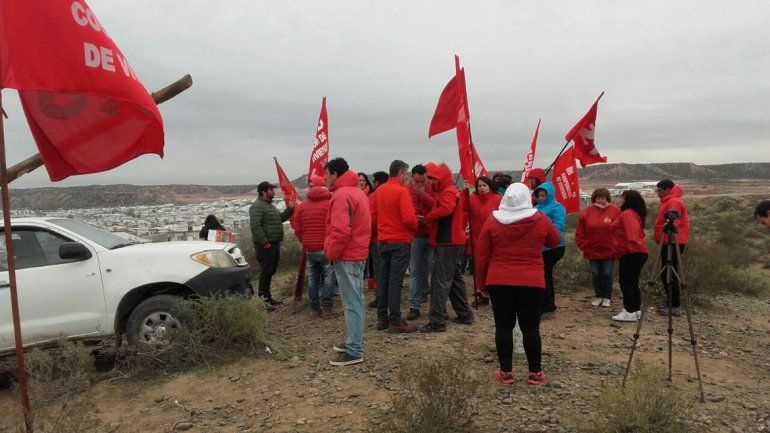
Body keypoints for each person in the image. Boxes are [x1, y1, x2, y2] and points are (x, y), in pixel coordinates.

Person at [476, 183, 561, 385]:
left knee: (503, 327)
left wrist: (481, 284)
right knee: (531, 328)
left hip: (499, 280)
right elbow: (555, 240)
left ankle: (506, 371)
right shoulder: (539, 219)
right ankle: (535, 372)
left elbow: (482, 255)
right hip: (531, 280)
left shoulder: (493, 220)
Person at [324, 157, 371, 366]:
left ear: (335, 174)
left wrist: (331, 253)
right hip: (358, 253)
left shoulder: (342, 195)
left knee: (351, 302)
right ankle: (354, 340)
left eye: (326, 173)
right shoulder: (357, 192)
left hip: (347, 255)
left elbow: (341, 230)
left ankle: (355, 350)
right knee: (357, 299)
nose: (324, 177)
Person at [419, 163, 474, 332]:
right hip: (452, 242)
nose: (429, 181)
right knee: (454, 280)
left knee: (439, 281)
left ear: (440, 177)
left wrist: (428, 218)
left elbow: (446, 209)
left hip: (448, 242)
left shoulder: (448, 192)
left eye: (432, 178)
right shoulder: (448, 190)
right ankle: (465, 314)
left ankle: (437, 321)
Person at [372, 160, 419, 333]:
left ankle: (382, 318)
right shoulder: (401, 191)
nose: (406, 178)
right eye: (406, 174)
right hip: (400, 241)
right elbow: (408, 219)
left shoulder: (379, 191)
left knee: (383, 279)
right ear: (400, 173)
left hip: (383, 240)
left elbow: (373, 216)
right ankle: (395, 320)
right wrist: (415, 225)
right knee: (395, 282)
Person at [249, 181, 295, 308]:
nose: (274, 192)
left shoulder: (269, 206)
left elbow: (280, 219)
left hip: (274, 244)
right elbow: (255, 227)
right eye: (271, 190)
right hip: (265, 245)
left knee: (270, 270)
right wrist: (265, 243)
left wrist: (290, 209)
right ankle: (263, 301)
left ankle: (268, 298)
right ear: (264, 192)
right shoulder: (257, 207)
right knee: (266, 271)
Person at [294, 175, 334, 316]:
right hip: (326, 247)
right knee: (329, 277)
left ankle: (314, 308)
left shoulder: (302, 206)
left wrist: (304, 240)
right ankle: (327, 307)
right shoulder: (330, 203)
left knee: (313, 278)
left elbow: (297, 228)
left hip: (309, 248)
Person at [575, 188, 621, 308]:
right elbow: (580, 231)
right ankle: (599, 296)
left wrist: (618, 245)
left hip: (609, 249)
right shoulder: (587, 212)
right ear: (594, 199)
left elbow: (621, 229)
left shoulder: (615, 210)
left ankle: (607, 297)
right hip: (592, 249)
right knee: (596, 274)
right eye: (598, 198)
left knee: (607, 273)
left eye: (603, 198)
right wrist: (583, 244)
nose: (600, 200)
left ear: (607, 199)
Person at [610, 190, 649, 322]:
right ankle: (636, 309)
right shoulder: (634, 214)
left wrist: (627, 252)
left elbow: (631, 237)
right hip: (637, 252)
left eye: (623, 198)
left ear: (628, 200)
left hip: (631, 253)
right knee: (633, 282)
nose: (621, 200)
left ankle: (629, 310)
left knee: (625, 282)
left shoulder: (627, 215)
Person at [653, 179, 690, 316]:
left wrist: (667, 239)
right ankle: (672, 303)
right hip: (671, 241)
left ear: (668, 190)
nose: (658, 193)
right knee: (668, 272)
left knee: (669, 273)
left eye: (660, 191)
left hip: (673, 242)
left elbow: (674, 224)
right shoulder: (668, 201)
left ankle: (675, 305)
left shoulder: (672, 202)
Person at [405, 164, 436, 320]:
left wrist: (422, 194)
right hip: (415, 235)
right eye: (417, 181)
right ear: (412, 177)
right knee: (415, 271)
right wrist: (413, 219)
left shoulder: (432, 187)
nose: (420, 184)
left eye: (423, 181)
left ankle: (436, 308)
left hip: (431, 233)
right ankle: (414, 306)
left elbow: (437, 206)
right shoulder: (405, 190)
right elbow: (403, 210)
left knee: (433, 270)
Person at [533, 181, 566, 319]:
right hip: (540, 246)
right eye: (539, 195)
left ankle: (548, 307)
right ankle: (542, 304)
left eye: (543, 195)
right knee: (544, 275)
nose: (541, 198)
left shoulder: (557, 208)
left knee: (545, 275)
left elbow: (558, 226)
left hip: (554, 247)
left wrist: (542, 231)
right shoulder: (535, 208)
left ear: (549, 194)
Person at [468, 176, 502, 306]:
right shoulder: (472, 199)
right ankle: (482, 293)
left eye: (484, 185)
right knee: (479, 267)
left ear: (490, 186)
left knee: (493, 267)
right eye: (479, 186)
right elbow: (464, 208)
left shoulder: (498, 199)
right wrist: (464, 193)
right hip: (477, 238)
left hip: (494, 239)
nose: (481, 188)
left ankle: (495, 293)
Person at [367, 171, 389, 308]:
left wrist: (368, 237)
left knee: (379, 270)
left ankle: (381, 298)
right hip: (394, 238)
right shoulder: (396, 192)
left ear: (377, 182)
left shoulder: (374, 196)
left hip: (378, 238)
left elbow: (372, 219)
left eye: (374, 181)